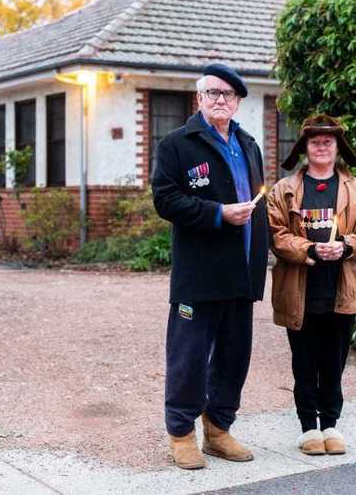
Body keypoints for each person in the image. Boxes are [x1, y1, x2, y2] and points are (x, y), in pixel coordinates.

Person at [152, 63, 269, 469]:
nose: (221, 100)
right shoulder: (177, 144)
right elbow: (165, 200)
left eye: (229, 95)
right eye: (213, 93)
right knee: (189, 358)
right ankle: (181, 433)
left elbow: (259, 202)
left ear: (236, 103)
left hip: (242, 272)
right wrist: (218, 213)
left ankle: (219, 430)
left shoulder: (249, 144)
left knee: (234, 357)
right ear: (199, 98)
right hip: (200, 274)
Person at [267, 114, 356, 456]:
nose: (321, 146)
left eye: (327, 141)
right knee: (303, 362)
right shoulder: (284, 189)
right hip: (298, 292)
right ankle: (308, 429)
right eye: (314, 141)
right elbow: (276, 234)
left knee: (334, 362)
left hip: (340, 290)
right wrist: (308, 249)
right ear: (304, 147)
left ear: (337, 148)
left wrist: (345, 245)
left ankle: (331, 424)